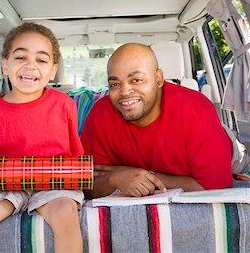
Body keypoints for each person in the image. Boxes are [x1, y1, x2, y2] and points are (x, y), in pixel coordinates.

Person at [0, 22, 84, 253]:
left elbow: (75, 153)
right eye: (20, 57)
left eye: (41, 60)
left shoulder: (64, 105)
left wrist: (82, 182)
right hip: (5, 184)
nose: (30, 66)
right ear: (5, 65)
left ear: (53, 70)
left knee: (66, 214)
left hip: (53, 182)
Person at [81, 43, 233, 198]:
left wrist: (143, 177)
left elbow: (216, 186)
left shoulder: (195, 109)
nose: (125, 92)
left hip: (224, 148)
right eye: (115, 84)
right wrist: (114, 179)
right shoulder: (101, 114)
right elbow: (86, 184)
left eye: (136, 80)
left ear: (158, 79)